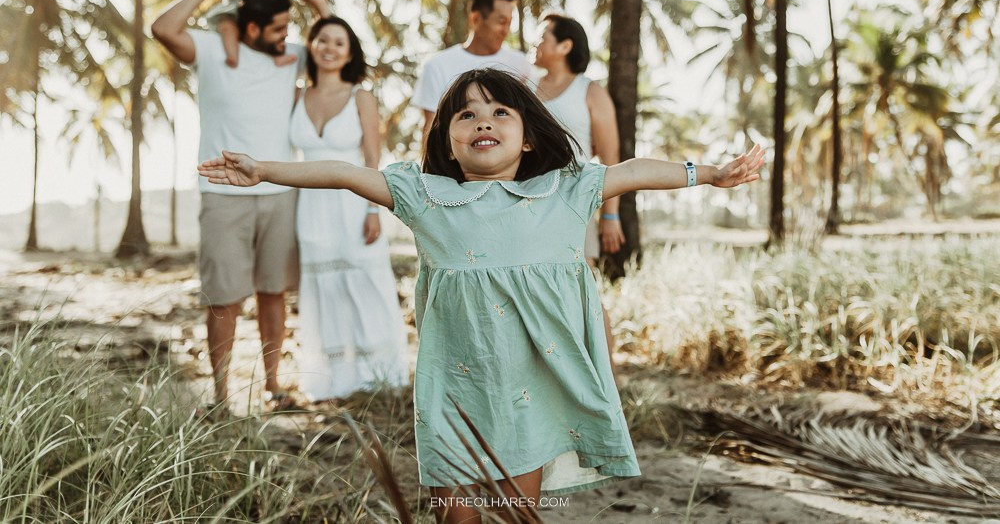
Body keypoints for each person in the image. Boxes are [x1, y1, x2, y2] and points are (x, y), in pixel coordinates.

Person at [198, 69, 765, 522]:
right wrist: (265, 169)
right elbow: (346, 173)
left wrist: (709, 173)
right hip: (455, 385)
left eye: (499, 112)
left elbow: (633, 169)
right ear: (447, 140)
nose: (481, 122)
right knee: (457, 515)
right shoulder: (425, 196)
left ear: (528, 137)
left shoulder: (565, 190)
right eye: (465, 115)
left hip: (534, 386)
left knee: (517, 511)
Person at [152, 0, 329, 413]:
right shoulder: (212, 50)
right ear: (251, 28)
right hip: (223, 195)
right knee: (224, 298)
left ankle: (272, 385)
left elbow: (340, 53)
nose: (287, 35)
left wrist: (319, 4)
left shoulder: (291, 56)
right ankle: (220, 395)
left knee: (273, 292)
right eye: (278, 28)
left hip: (280, 190)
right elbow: (162, 28)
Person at [291, 15, 409, 401]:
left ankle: (379, 375)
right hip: (311, 205)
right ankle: (333, 379)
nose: (329, 48)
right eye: (322, 40)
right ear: (311, 46)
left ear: (350, 52)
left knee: (365, 281)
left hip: (355, 201)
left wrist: (374, 209)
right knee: (324, 285)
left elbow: (373, 157)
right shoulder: (296, 95)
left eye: (339, 43)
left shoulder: (362, 96)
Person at [532, 13, 626, 266]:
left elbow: (610, 158)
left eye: (542, 37)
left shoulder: (591, 92)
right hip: (528, 201)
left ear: (565, 46)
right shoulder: (524, 88)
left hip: (575, 201)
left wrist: (610, 215)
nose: (535, 43)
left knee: (582, 287)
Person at [411, 0, 533, 141]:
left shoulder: (521, 64)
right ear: (475, 19)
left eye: (509, 23)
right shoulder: (437, 65)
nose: (506, 30)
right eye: (501, 22)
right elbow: (430, 128)